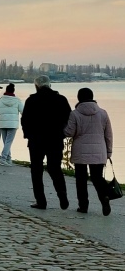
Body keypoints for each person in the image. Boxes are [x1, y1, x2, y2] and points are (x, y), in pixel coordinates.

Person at [21, 75, 71, 210]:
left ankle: (41, 201)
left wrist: (28, 135)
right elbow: (69, 118)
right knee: (55, 168)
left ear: (36, 86)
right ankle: (62, 195)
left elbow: (25, 120)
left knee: (36, 170)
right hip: (55, 139)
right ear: (50, 85)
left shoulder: (31, 100)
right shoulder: (61, 100)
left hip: (36, 140)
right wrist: (62, 133)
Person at [64, 87, 113, 215]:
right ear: (92, 97)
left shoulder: (75, 114)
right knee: (97, 178)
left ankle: (83, 206)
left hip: (80, 150)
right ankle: (104, 197)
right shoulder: (103, 113)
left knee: (81, 179)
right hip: (99, 149)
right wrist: (109, 152)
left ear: (79, 98)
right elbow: (108, 134)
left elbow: (69, 133)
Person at [0, 83, 24, 166]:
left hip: (3, 124)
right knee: (8, 142)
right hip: (13, 124)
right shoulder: (17, 100)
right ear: (13, 91)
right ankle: (3, 159)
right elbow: (23, 112)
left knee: (6, 142)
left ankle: (9, 159)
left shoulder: (1, 100)